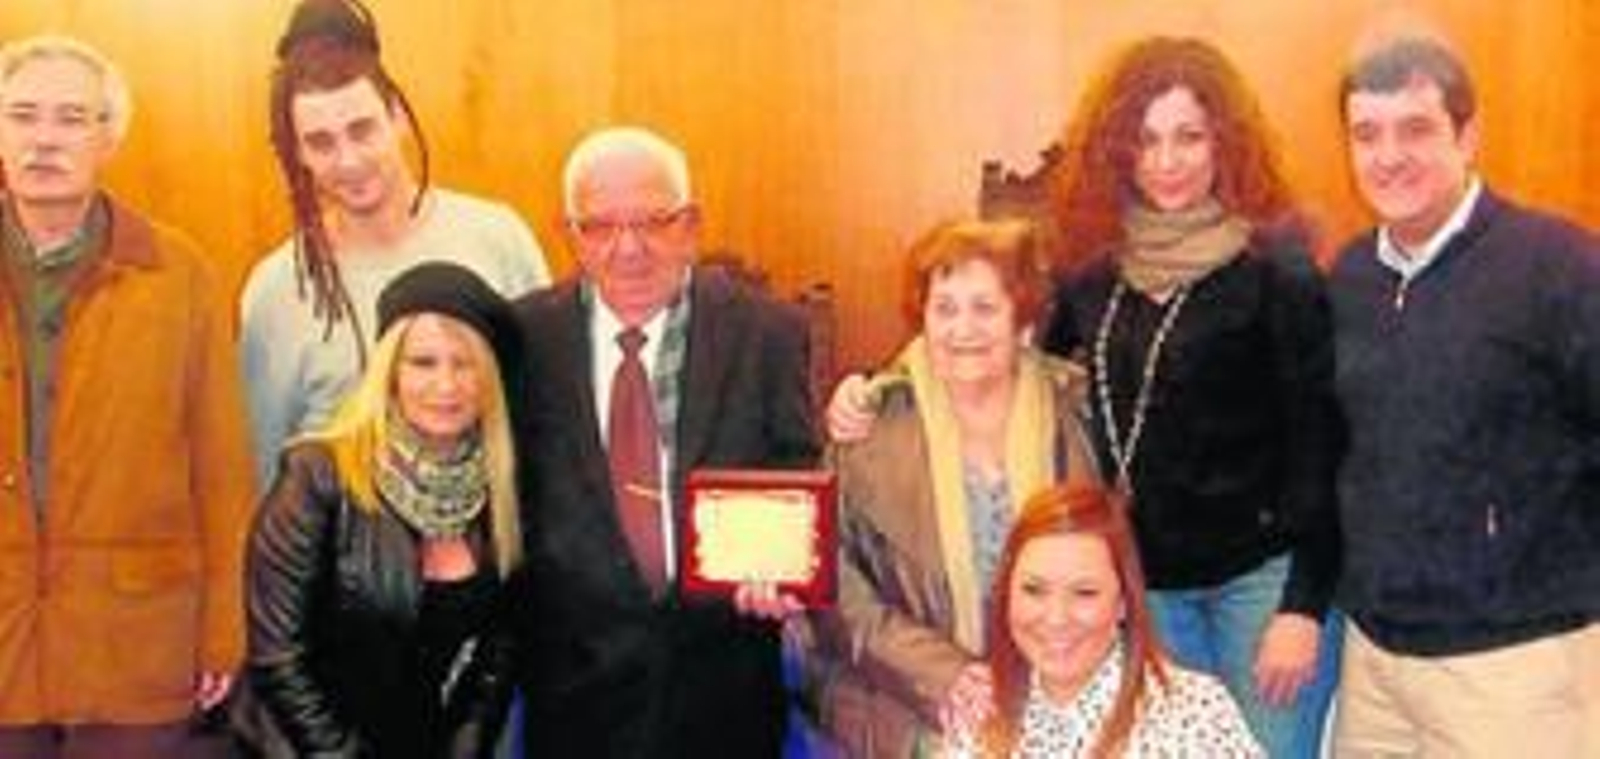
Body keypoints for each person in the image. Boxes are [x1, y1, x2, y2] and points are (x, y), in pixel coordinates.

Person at [830, 37, 1341, 757]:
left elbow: (1321, 451)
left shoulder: (1278, 275)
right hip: (1144, 590)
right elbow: (1002, 357)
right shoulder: (1093, 278)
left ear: (1225, 145)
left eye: (1189, 137)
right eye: (1146, 139)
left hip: (1258, 586)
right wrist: (875, 389)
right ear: (1119, 151)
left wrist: (1304, 608)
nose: (1167, 160)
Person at [502, 125, 820, 757]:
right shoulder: (521, 339)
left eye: (653, 221)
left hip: (725, 697)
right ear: (570, 236)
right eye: (599, 227)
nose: (629, 249)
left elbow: (795, 472)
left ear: (692, 225)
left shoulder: (768, 333)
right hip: (574, 702)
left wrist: (784, 572)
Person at [1329, 34, 1600, 757]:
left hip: (1514, 665)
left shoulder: (1559, 266)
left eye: (1415, 129)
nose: (1388, 156)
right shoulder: (1351, 277)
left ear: (1468, 135)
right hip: (1376, 658)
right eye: (1366, 134)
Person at [0, 35, 255, 757]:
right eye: (22, 116)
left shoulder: (178, 275)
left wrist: (223, 626)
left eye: (71, 118)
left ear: (109, 135)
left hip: (136, 643)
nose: (44, 139)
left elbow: (222, 467)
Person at [813, 218, 1100, 757]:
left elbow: (1114, 563)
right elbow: (832, 583)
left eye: (984, 308)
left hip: (1064, 676)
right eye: (944, 308)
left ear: (1024, 324)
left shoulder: (1083, 412)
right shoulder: (868, 426)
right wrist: (944, 674)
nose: (961, 329)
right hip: (902, 692)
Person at [240, 0, 550, 486]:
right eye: (321, 142)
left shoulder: (497, 239)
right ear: (297, 153)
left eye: (362, 130)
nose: (348, 160)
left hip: (493, 548)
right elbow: (264, 475)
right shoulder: (277, 290)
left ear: (398, 116)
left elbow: (545, 414)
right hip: (339, 556)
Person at [240, 262, 523, 758]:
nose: (446, 385)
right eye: (423, 362)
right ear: (389, 371)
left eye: (465, 364)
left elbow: (498, 654)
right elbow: (278, 658)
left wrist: (465, 746)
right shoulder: (317, 475)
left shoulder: (500, 489)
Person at [946, 484, 1262, 757]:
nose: (1056, 618)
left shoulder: (1197, 715)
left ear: (1123, 601)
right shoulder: (980, 711)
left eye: (1084, 593)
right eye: (1034, 590)